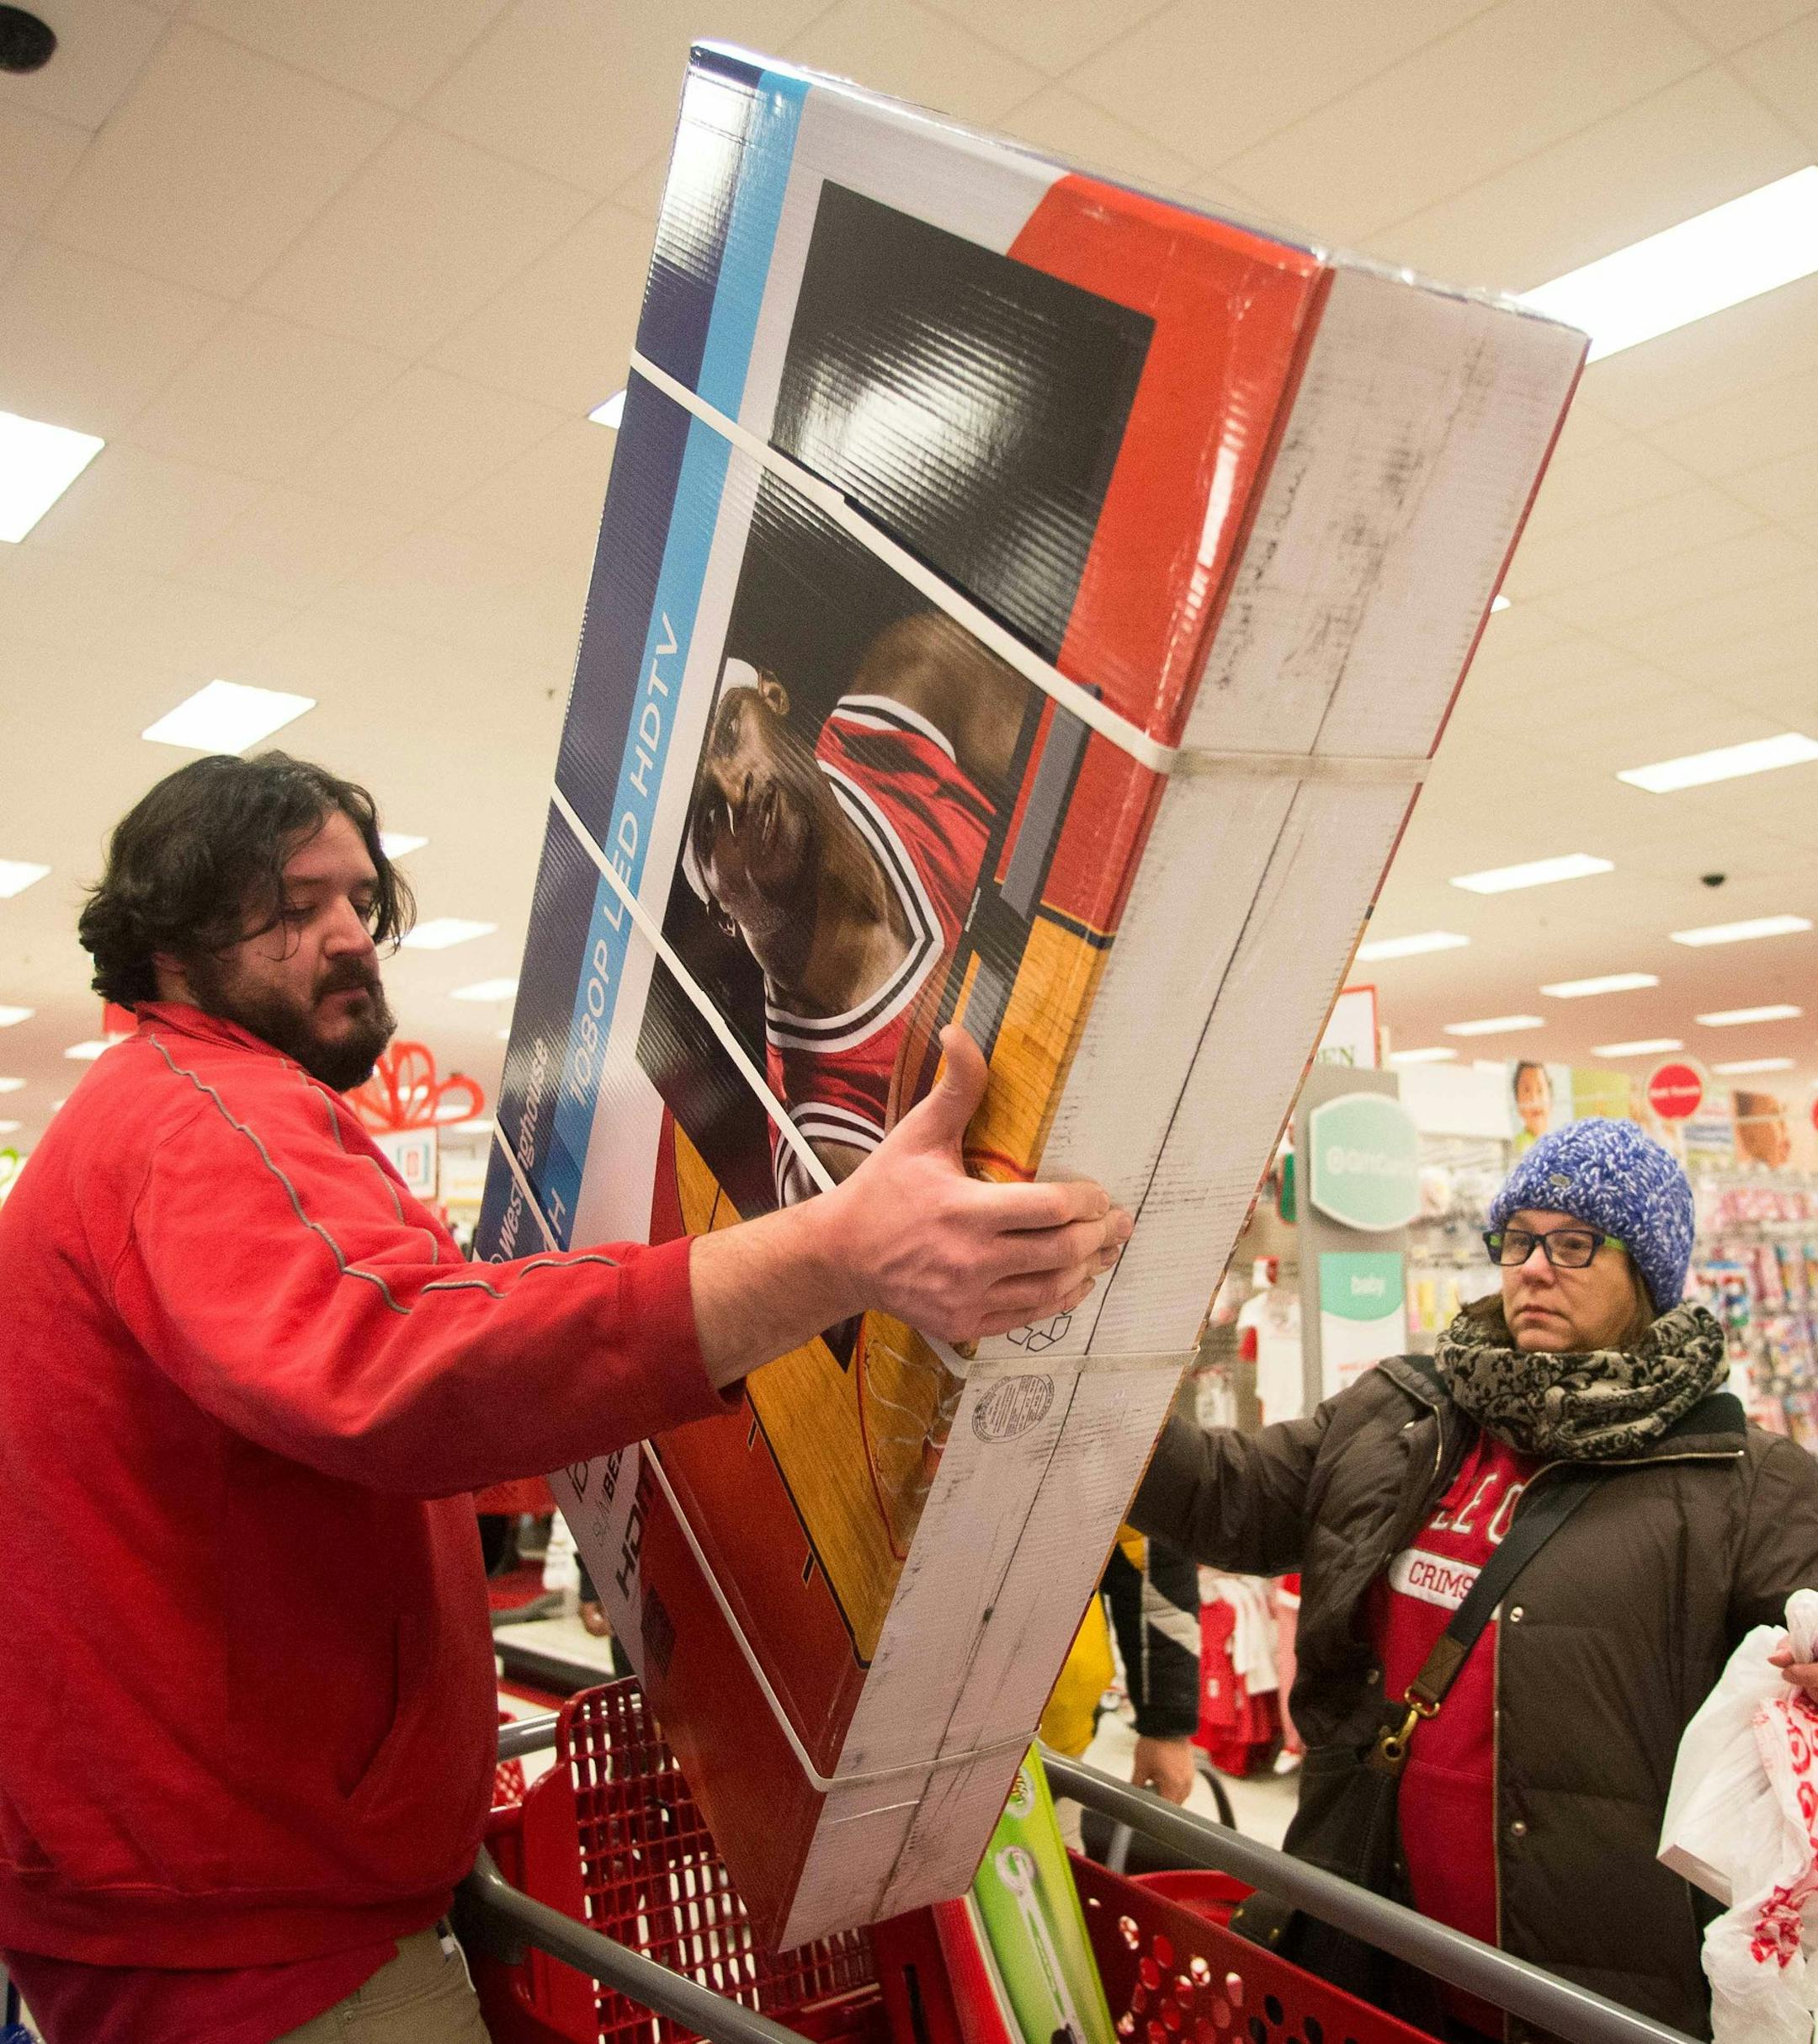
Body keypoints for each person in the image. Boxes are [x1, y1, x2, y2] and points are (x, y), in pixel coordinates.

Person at [0, 753, 1130, 2044]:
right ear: (172, 932)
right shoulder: (199, 1118)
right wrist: (836, 1251)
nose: (345, 938)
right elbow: (393, 1366)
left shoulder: (177, 1112)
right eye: (287, 904)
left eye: (358, 903)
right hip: (254, 1938)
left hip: (219, 1885)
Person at [1131, 1117, 1818, 2038]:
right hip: (1366, 1938)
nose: (1534, 1265)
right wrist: (1090, 1399)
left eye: (1574, 1242)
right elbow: (1231, 1497)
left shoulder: (1738, 1477)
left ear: (1648, 1271)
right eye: (1519, 1237)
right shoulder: (1403, 1411)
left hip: (1584, 1989)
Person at [684, 610, 1024, 1200]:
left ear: (773, 696)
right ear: (720, 913)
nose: (736, 787)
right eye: (708, 818)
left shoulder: (920, 683)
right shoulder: (827, 1150)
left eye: (727, 735)